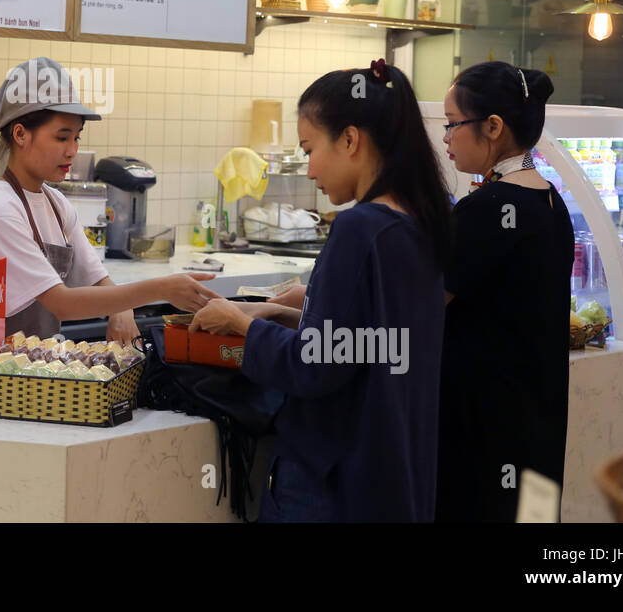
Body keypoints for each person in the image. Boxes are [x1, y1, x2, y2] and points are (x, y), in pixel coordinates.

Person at [191, 59, 450, 521]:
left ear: (350, 139)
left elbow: (315, 367)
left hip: (333, 482)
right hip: (396, 473)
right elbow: (374, 340)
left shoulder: (359, 228)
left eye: (309, 148)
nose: (309, 170)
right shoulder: (422, 221)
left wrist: (240, 325)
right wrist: (295, 315)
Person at [0, 57, 217, 341]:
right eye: (62, 138)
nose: (72, 151)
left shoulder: (56, 205)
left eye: (76, 138)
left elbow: (99, 282)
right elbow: (61, 302)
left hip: (39, 370)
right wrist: (160, 289)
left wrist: (123, 309)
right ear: (21, 134)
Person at [436, 62, 574, 522]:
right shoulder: (550, 201)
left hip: (484, 426)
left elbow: (423, 305)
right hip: (537, 423)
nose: (447, 137)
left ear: (492, 127)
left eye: (453, 124)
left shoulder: (488, 207)